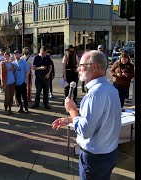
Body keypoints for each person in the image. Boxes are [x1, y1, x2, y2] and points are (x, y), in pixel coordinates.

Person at [52, 50, 121, 180]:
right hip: (109, 153)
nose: (78, 69)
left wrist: (72, 110)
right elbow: (99, 120)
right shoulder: (110, 89)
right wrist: (69, 120)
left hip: (94, 158)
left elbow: (85, 131)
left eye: (81, 65)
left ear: (94, 67)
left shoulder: (95, 94)